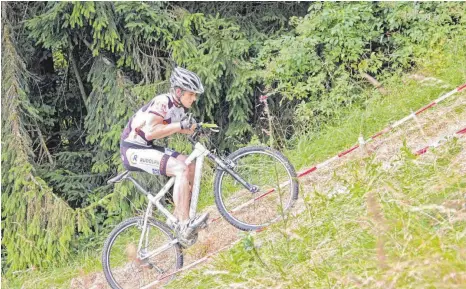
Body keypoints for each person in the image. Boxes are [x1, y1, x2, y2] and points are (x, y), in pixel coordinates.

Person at [119, 67, 208, 244]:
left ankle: (176, 219)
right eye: (191, 94)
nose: (194, 98)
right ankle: (184, 223)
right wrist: (179, 126)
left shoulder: (178, 107)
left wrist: (198, 128)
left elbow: (180, 127)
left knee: (189, 165)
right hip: (133, 150)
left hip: (146, 146)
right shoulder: (162, 102)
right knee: (180, 169)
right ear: (178, 91)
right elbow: (151, 131)